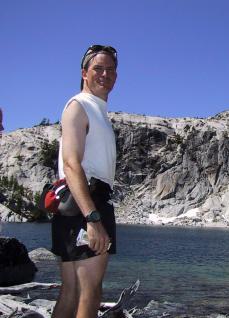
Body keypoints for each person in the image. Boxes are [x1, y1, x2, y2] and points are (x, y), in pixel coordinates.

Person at [51, 45, 118, 318]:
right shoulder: (78, 106)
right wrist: (92, 217)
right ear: (84, 73)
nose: (105, 74)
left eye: (111, 70)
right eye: (98, 69)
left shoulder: (97, 110)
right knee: (90, 293)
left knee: (73, 292)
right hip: (85, 202)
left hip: (79, 205)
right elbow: (70, 163)